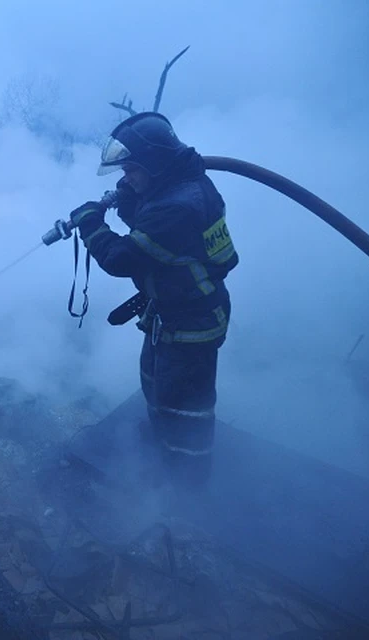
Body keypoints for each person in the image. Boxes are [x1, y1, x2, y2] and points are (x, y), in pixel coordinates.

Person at [71, 111, 239, 486]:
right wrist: (130, 199)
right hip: (171, 317)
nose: (124, 179)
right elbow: (153, 232)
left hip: (191, 325)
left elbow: (122, 258)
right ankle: (163, 448)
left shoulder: (178, 205)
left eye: (130, 171)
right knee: (157, 387)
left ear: (155, 165)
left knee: (185, 412)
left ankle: (186, 486)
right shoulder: (180, 188)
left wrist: (91, 224)